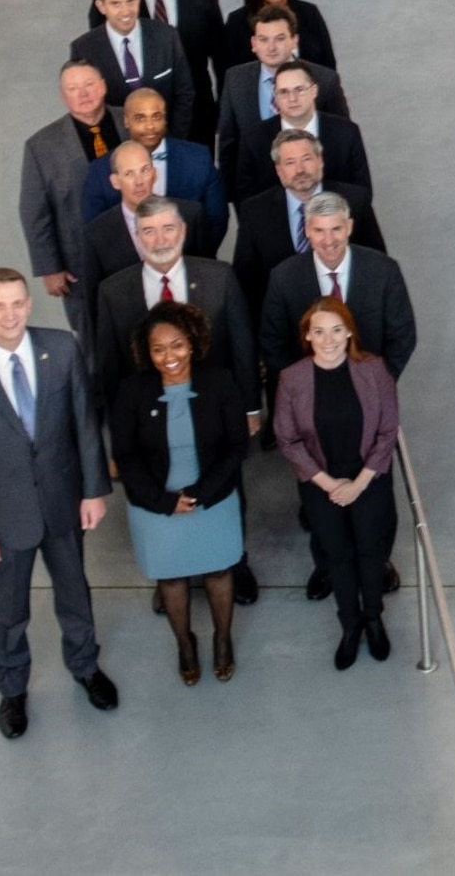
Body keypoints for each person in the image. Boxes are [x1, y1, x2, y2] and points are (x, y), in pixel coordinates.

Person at [0, 270, 116, 738]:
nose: (10, 314)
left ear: (29, 304)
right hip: (3, 516)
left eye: (17, 303)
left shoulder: (62, 350)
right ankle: (12, 688)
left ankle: (85, 666)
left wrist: (94, 490)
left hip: (63, 502)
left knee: (74, 590)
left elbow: (84, 425)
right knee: (8, 608)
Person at [109, 302, 248, 685]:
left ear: (193, 343)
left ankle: (222, 639)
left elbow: (236, 447)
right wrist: (165, 501)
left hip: (212, 498)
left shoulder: (219, 382)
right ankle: (185, 644)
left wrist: (200, 494)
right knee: (170, 578)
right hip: (156, 504)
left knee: (219, 570)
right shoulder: (132, 392)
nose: (169, 357)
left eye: (177, 345)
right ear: (147, 352)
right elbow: (126, 455)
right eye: (158, 349)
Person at [274, 300, 401, 670]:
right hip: (321, 484)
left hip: (369, 480)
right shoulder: (293, 379)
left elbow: (387, 431)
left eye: (335, 330)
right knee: (338, 556)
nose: (327, 340)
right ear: (308, 337)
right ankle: (350, 625)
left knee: (370, 552)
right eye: (318, 331)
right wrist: (330, 484)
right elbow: (288, 440)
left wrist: (359, 484)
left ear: (348, 332)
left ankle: (373, 618)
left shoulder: (374, 370)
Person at [92, 195, 259, 430]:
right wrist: (119, 427)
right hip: (149, 422)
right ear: (137, 238)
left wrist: (251, 407)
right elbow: (110, 369)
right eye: (149, 231)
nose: (160, 240)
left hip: (216, 412)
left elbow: (243, 348)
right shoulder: (112, 292)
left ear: (182, 230)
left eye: (168, 228)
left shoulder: (220, 278)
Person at [258, 193, 417, 398]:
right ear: (307, 231)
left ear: (349, 227)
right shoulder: (283, 277)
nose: (328, 240)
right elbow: (273, 343)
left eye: (336, 229)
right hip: (307, 398)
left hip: (371, 395)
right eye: (319, 230)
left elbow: (403, 336)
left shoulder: (384, 271)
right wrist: (303, 387)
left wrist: (377, 382)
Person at [86, 0, 223, 144]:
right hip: (134, 120)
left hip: (197, 112)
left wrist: (223, 105)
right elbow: (103, 57)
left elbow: (220, 53)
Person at [18, 60, 125, 346]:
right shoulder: (41, 146)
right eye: (73, 88)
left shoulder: (132, 120)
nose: (83, 94)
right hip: (79, 262)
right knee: (95, 345)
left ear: (103, 86)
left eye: (89, 85)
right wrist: (50, 268)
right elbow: (33, 211)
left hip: (136, 250)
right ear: (63, 95)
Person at [231, 132, 384, 330]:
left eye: (306, 159)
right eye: (290, 162)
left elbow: (377, 266)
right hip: (284, 332)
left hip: (351, 327)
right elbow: (245, 282)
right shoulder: (255, 211)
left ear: (320, 161)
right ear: (278, 170)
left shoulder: (355, 200)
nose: (300, 169)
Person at [82, 85, 228, 243]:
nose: (150, 126)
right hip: (128, 266)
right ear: (126, 121)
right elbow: (97, 232)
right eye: (140, 118)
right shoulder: (100, 169)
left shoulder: (198, 158)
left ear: (165, 118)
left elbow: (217, 220)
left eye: (156, 117)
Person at [216, 3, 349, 168]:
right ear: (254, 43)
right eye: (263, 39)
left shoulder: (325, 80)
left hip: (312, 182)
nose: (271, 47)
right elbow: (227, 145)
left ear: (294, 40)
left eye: (280, 38)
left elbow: (343, 140)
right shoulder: (235, 80)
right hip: (255, 187)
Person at [228, 60, 373, 204]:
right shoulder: (254, 140)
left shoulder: (346, 133)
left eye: (299, 90)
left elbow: (362, 191)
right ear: (275, 97)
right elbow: (247, 199)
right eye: (284, 92)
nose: (292, 99)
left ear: (314, 91)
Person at [70, 0, 193, 135]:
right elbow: (87, 106)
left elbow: (184, 93)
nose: (126, 11)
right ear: (101, 6)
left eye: (130, 1)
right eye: (116, 4)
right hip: (115, 148)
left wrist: (173, 140)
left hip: (166, 139)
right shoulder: (84, 49)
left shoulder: (166, 36)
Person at [83, 142, 216, 290]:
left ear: (154, 174)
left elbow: (209, 276)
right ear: (115, 182)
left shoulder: (190, 215)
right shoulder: (96, 235)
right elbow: (94, 300)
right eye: (129, 174)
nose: (139, 182)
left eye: (144, 170)